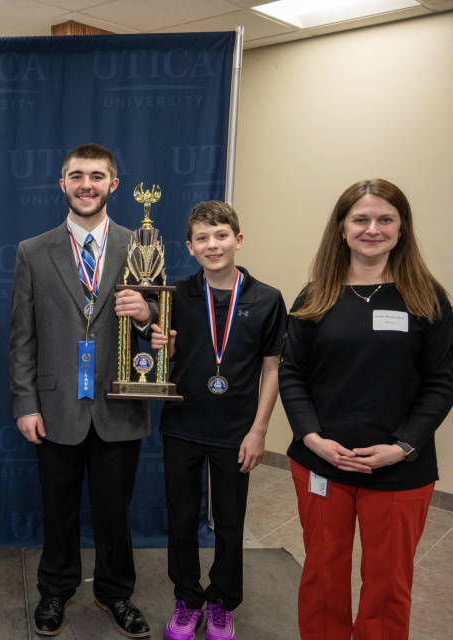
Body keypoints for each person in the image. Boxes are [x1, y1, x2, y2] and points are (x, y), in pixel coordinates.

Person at [279, 179, 453, 640]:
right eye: (360, 218)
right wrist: (312, 437)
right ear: (341, 228)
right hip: (322, 462)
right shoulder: (315, 296)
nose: (372, 228)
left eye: (385, 219)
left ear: (402, 228)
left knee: (388, 585)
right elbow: (292, 373)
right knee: (322, 578)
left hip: (399, 471)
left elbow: (441, 382)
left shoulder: (427, 299)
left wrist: (403, 447)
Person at [9, 143, 157, 638]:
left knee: (116, 511)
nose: (86, 184)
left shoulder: (142, 245)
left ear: (113, 184)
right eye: (77, 176)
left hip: (119, 403)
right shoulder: (33, 250)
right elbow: (21, 337)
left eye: (97, 176)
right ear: (63, 184)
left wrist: (149, 316)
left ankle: (116, 592)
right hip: (55, 406)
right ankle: (55, 589)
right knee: (58, 507)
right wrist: (25, 403)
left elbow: (157, 327)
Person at [149, 201, 285, 640]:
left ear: (238, 240)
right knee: (182, 517)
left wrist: (259, 430)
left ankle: (223, 602)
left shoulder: (267, 299)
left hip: (236, 432)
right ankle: (187, 600)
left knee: (229, 521)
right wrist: (162, 348)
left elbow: (272, 369)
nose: (213, 245)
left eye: (221, 235)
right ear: (189, 247)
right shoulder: (176, 294)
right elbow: (167, 360)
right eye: (203, 238)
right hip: (183, 425)